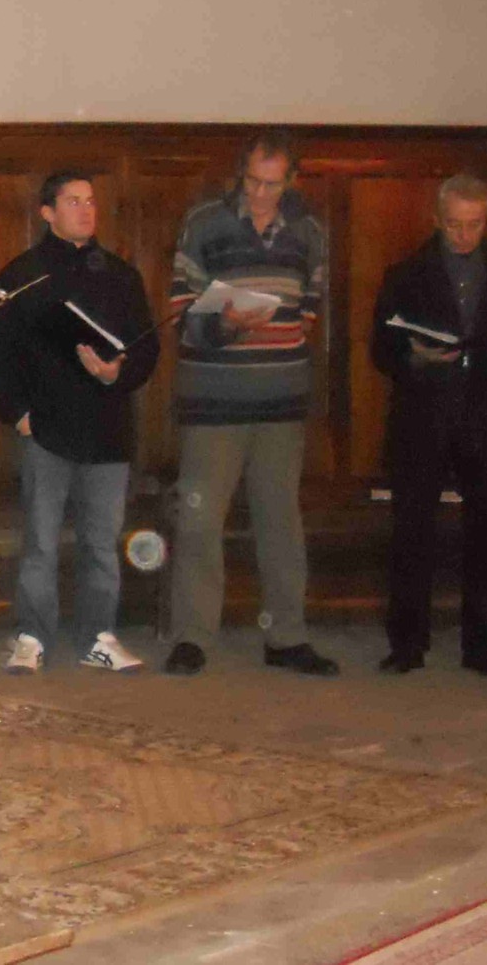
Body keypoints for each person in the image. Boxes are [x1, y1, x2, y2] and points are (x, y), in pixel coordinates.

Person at [162, 130, 341, 678]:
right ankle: (192, 637)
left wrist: (275, 331)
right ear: (240, 176)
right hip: (214, 398)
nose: (261, 194)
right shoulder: (204, 223)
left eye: (273, 184)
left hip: (281, 400)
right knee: (199, 523)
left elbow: (309, 310)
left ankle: (285, 636)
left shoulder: (310, 232)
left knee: (280, 523)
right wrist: (224, 325)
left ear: (292, 180)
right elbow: (179, 313)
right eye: (253, 182)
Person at [0, 171, 158, 675]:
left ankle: (98, 636)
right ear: (47, 212)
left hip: (107, 429)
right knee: (40, 541)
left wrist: (118, 370)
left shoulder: (121, 275)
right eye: (73, 201)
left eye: (91, 201)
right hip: (45, 429)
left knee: (101, 543)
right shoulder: (23, 274)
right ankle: (32, 635)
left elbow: (147, 346)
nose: (86, 210)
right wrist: (15, 414)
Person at [370, 174, 487, 677]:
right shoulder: (405, 274)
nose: (465, 235)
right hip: (424, 414)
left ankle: (482, 646)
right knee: (412, 530)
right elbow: (382, 348)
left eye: (475, 225)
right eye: (455, 225)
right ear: (437, 220)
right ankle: (407, 643)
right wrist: (415, 356)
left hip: (486, 415)